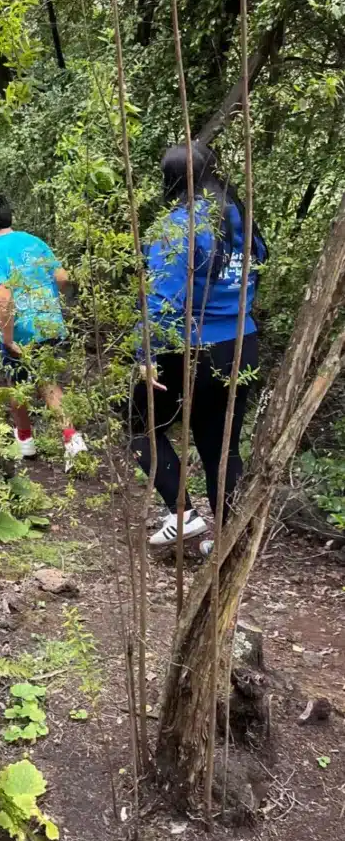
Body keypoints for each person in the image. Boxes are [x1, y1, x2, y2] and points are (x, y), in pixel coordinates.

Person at [131, 141, 268, 550]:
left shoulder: (179, 226)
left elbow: (161, 298)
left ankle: (182, 515)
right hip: (241, 343)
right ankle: (229, 546)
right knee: (219, 447)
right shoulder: (240, 218)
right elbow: (254, 274)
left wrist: (147, 356)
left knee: (139, 426)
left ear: (171, 181)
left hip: (192, 347)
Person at [0, 192, 87, 470]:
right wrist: (48, 300)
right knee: (47, 380)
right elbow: (62, 277)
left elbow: (3, 298)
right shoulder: (35, 242)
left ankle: (36, 439)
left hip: (23, 329)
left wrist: (8, 338)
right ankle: (46, 440)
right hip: (50, 322)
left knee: (20, 384)